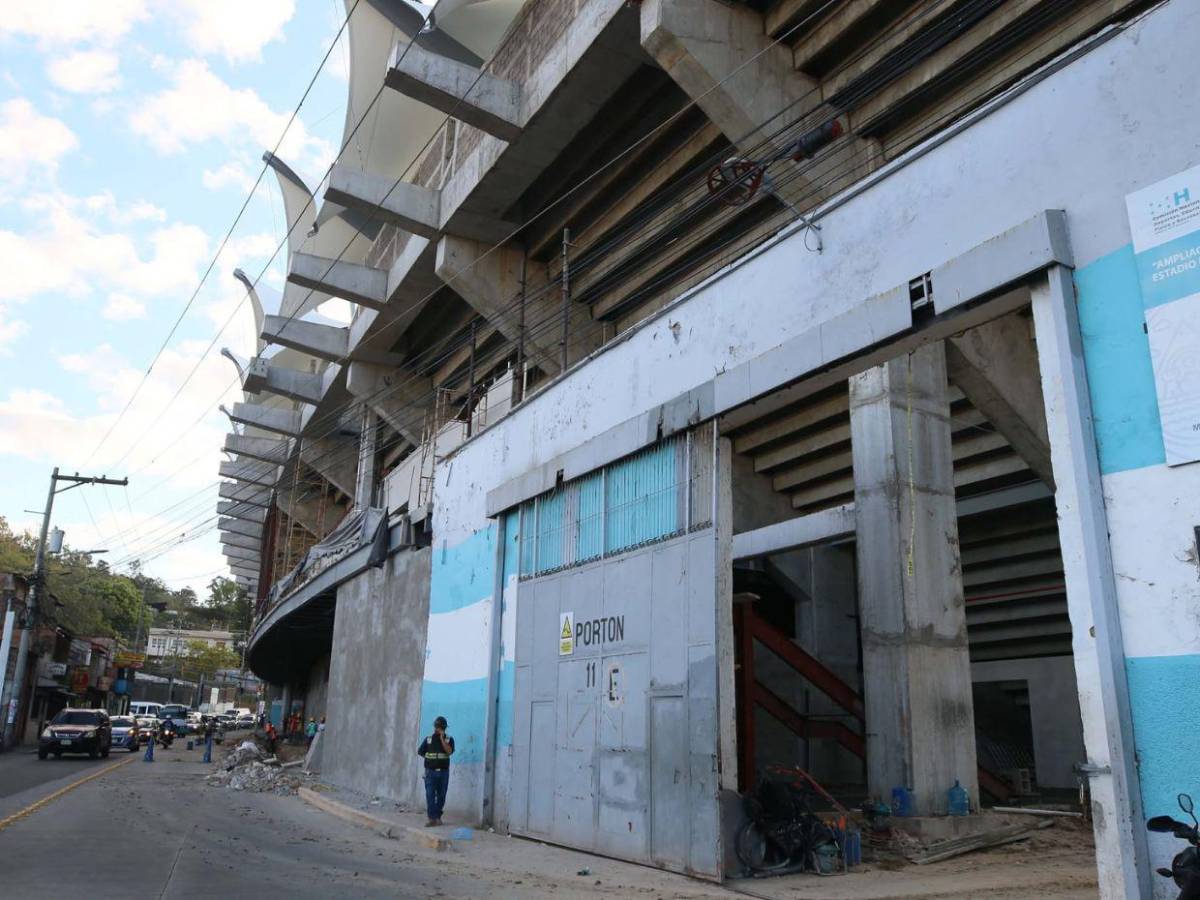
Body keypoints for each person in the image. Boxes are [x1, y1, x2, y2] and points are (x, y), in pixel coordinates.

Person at [417, 716, 454, 827]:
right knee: (430, 795)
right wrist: (430, 761)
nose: (438, 729)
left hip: (443, 773)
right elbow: (420, 751)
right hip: (430, 772)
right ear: (434, 727)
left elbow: (449, 752)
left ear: (444, 728)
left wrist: (442, 739)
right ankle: (431, 818)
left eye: (441, 727)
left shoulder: (449, 740)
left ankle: (437, 817)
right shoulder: (428, 739)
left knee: (442, 795)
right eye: (437, 727)